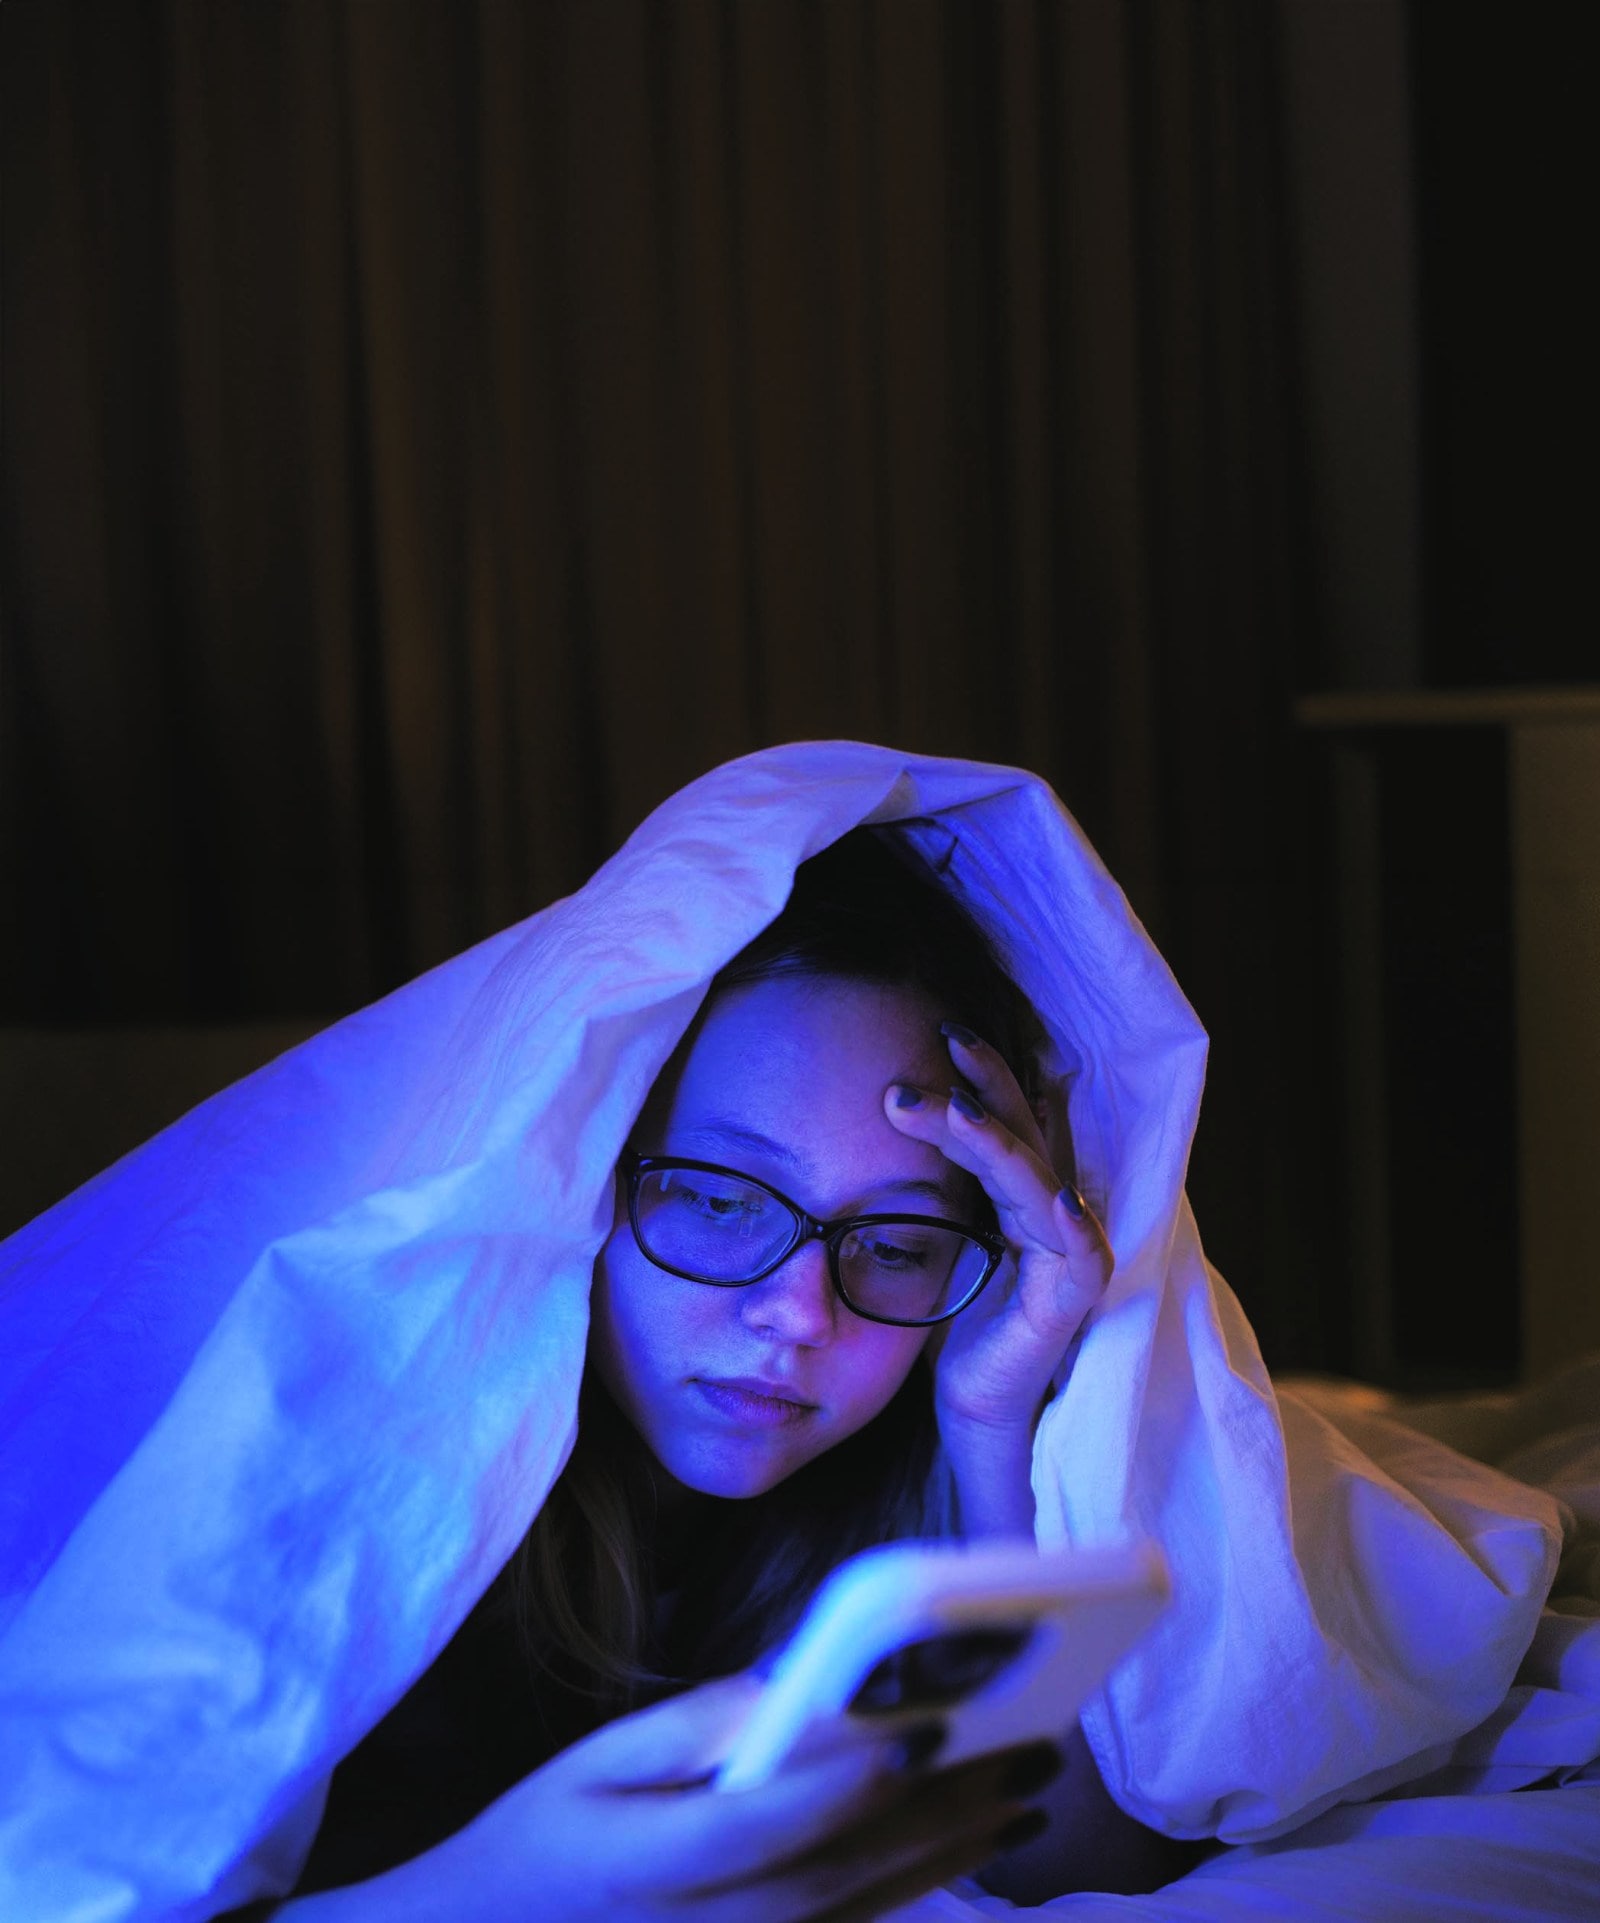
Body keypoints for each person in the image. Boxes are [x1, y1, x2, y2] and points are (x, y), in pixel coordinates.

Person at [1, 744, 1589, 1923]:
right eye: (715, 1200)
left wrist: (990, 1421)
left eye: (893, 1241)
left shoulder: (884, 1465)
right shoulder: (393, 1489)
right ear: (577, 1182)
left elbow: (1072, 1867)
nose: (795, 1314)